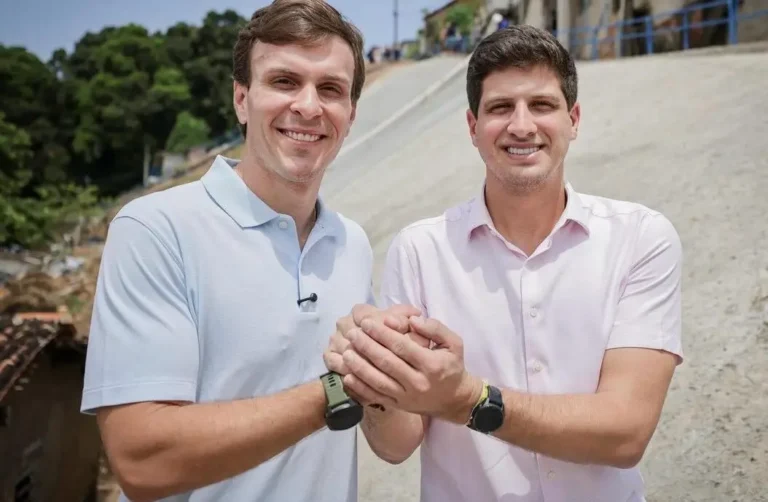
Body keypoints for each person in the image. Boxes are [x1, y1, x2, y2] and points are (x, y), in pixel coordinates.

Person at [324, 25, 684, 502]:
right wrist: (370, 379)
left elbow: (626, 434)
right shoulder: (420, 251)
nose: (521, 125)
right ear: (472, 128)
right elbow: (396, 445)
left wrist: (468, 399)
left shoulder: (640, 238)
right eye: (500, 108)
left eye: (542, 104)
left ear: (573, 119)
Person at [80, 1, 410, 501]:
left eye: (330, 89)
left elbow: (396, 446)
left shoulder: (351, 243)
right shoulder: (156, 229)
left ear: (351, 114)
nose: (308, 106)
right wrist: (335, 391)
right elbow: (143, 461)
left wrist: (389, 374)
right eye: (284, 81)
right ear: (241, 99)